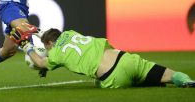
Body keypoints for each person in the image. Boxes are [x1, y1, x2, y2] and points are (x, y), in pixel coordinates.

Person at [21, 28, 195, 88]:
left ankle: (149, 82)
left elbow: (40, 61)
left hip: (112, 76)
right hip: (126, 58)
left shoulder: (56, 54)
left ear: (50, 43)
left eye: (46, 48)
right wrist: (38, 32)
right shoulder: (71, 33)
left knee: (99, 82)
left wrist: (26, 46)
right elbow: (52, 35)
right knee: (168, 74)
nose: (47, 51)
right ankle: (183, 79)